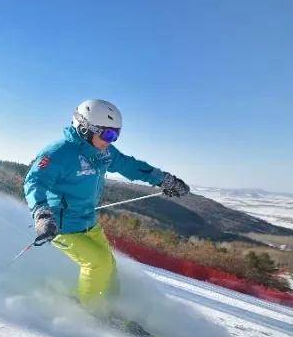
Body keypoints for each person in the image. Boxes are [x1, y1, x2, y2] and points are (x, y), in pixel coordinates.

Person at [23, 99, 189, 309]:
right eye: (108, 134)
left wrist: (163, 179)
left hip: (89, 223)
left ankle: (111, 307)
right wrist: (42, 214)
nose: (111, 141)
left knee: (109, 266)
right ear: (85, 128)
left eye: (116, 134)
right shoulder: (59, 152)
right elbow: (34, 181)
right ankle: (90, 313)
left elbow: (130, 166)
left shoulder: (103, 152)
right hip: (61, 226)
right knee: (97, 263)